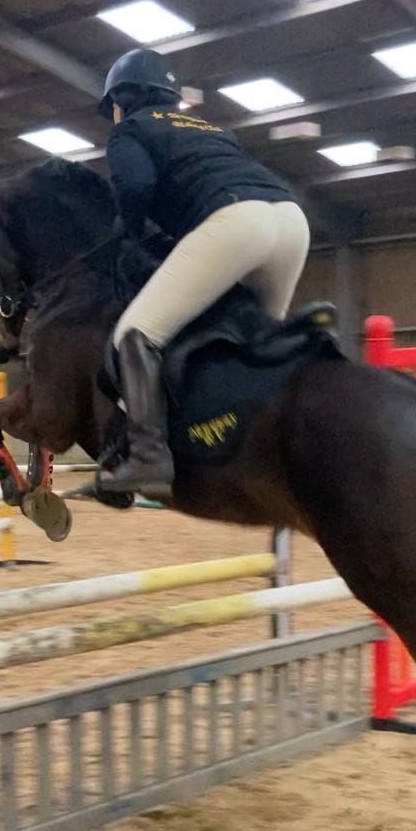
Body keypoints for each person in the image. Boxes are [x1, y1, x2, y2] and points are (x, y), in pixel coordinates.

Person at [97, 47, 311, 495]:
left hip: (237, 223)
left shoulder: (131, 130)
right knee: (258, 345)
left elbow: (134, 186)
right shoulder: (214, 130)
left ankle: (150, 457)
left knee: (135, 334)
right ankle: (269, 442)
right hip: (291, 222)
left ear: (123, 99)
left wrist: (130, 234)